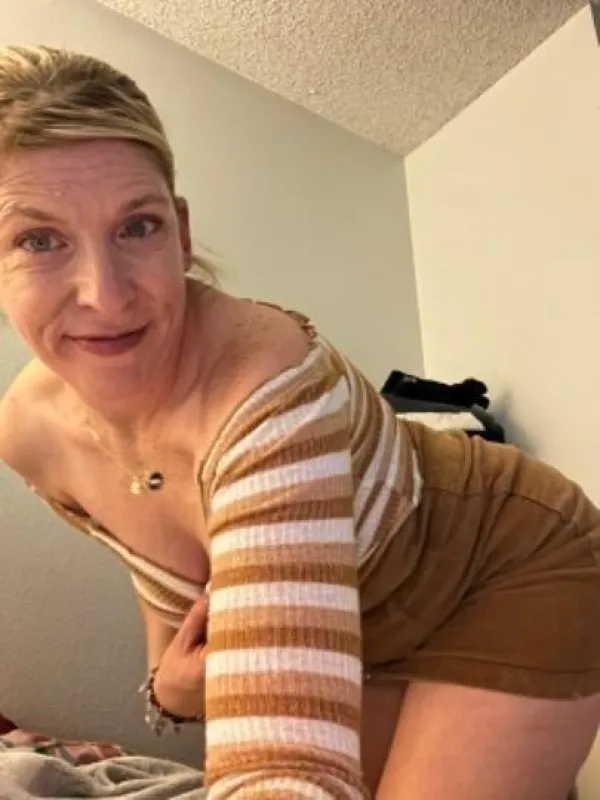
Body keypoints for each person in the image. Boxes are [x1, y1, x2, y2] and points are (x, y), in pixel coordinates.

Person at [0, 44, 598, 800]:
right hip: (358, 619)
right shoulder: (30, 431)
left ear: (181, 232)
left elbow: (284, 772)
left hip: (500, 566)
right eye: (39, 239)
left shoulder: (269, 393)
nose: (105, 294)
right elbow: (147, 539)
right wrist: (167, 683)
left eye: (137, 227)